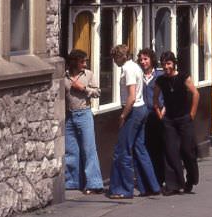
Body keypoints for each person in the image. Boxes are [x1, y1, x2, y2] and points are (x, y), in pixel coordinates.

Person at [108, 44, 161, 199]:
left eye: (114, 58)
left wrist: (123, 115)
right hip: (142, 109)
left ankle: (123, 189)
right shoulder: (136, 67)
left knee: (122, 151)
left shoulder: (127, 69)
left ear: (120, 56)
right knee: (139, 148)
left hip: (133, 111)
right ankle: (151, 186)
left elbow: (131, 96)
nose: (114, 61)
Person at [154, 51, 200, 195]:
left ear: (173, 63)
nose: (166, 66)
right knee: (171, 152)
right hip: (169, 121)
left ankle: (191, 179)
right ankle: (173, 185)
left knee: (187, 151)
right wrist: (159, 114)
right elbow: (155, 99)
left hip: (184, 119)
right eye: (163, 64)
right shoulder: (160, 81)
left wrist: (192, 113)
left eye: (168, 63)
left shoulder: (183, 77)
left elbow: (196, 93)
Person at [63, 49, 104, 195]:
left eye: (85, 61)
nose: (85, 64)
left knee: (89, 149)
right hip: (69, 115)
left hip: (84, 114)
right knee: (71, 150)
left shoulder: (89, 75)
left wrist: (83, 88)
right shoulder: (65, 76)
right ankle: (72, 181)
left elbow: (98, 92)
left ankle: (94, 184)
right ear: (75, 62)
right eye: (82, 61)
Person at [138, 47, 164, 187]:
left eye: (146, 59)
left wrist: (163, 109)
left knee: (158, 147)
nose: (143, 62)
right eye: (141, 59)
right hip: (143, 115)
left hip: (157, 115)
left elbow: (165, 95)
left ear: (152, 60)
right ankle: (148, 179)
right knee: (145, 147)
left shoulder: (159, 75)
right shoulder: (138, 76)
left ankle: (160, 178)